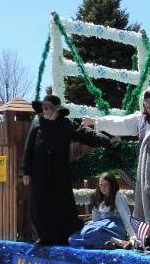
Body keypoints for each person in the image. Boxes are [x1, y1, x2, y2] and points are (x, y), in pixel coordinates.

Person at [21, 94, 118, 246]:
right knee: (39, 204)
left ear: (56, 110)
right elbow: (29, 148)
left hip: (60, 171)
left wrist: (107, 140)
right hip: (39, 171)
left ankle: (65, 236)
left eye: (48, 108)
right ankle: (44, 237)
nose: (45, 111)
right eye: (43, 108)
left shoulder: (66, 124)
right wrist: (25, 171)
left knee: (62, 203)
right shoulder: (37, 122)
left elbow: (87, 134)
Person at [83, 86, 150, 230]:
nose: (148, 103)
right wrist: (96, 122)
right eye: (146, 100)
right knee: (149, 203)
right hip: (147, 173)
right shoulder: (140, 120)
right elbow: (120, 123)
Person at [69, 173, 134, 249]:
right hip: (102, 226)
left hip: (115, 226)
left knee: (91, 233)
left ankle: (120, 242)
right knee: (72, 239)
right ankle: (112, 243)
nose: (103, 188)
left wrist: (132, 236)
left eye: (106, 185)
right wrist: (92, 226)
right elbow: (96, 218)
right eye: (101, 185)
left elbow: (125, 216)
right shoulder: (98, 197)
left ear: (112, 185)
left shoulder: (118, 195)